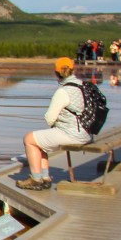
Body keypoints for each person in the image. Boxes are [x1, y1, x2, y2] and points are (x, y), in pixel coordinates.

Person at [19, 57, 92, 190]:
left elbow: (49, 118)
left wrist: (56, 123)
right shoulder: (82, 85)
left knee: (29, 139)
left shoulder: (63, 91)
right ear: (72, 70)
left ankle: (36, 179)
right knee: (40, 140)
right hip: (87, 132)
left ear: (56, 73)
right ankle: (45, 178)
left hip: (72, 134)